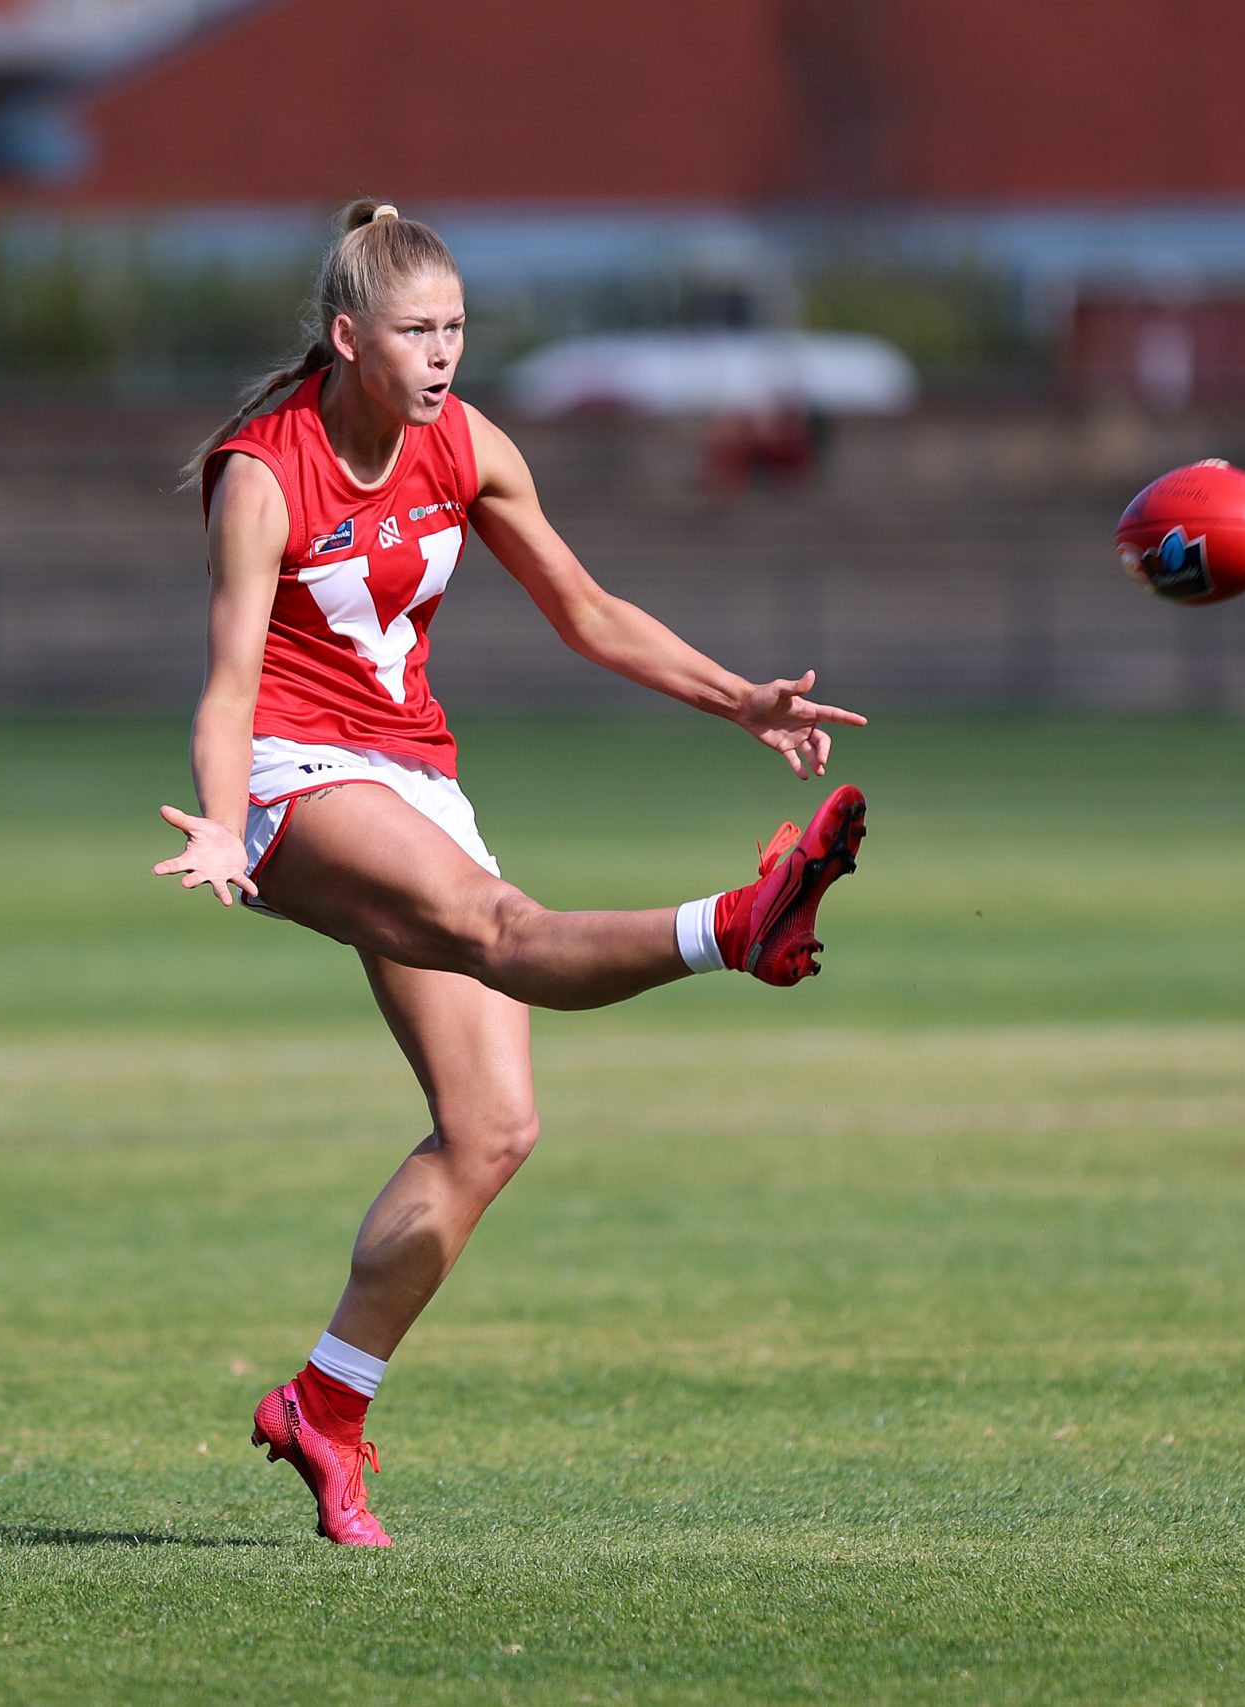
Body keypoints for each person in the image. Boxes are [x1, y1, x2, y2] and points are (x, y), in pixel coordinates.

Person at [154, 201, 870, 1547]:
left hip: (412, 772)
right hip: (287, 775)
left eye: (459, 329)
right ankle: (740, 922)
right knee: (498, 925)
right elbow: (231, 681)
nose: (444, 355)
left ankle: (326, 1401)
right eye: (419, 332)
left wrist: (738, 698)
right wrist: (212, 815)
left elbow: (588, 610)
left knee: (493, 1128)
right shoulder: (268, 470)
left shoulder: (467, 442)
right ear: (348, 336)